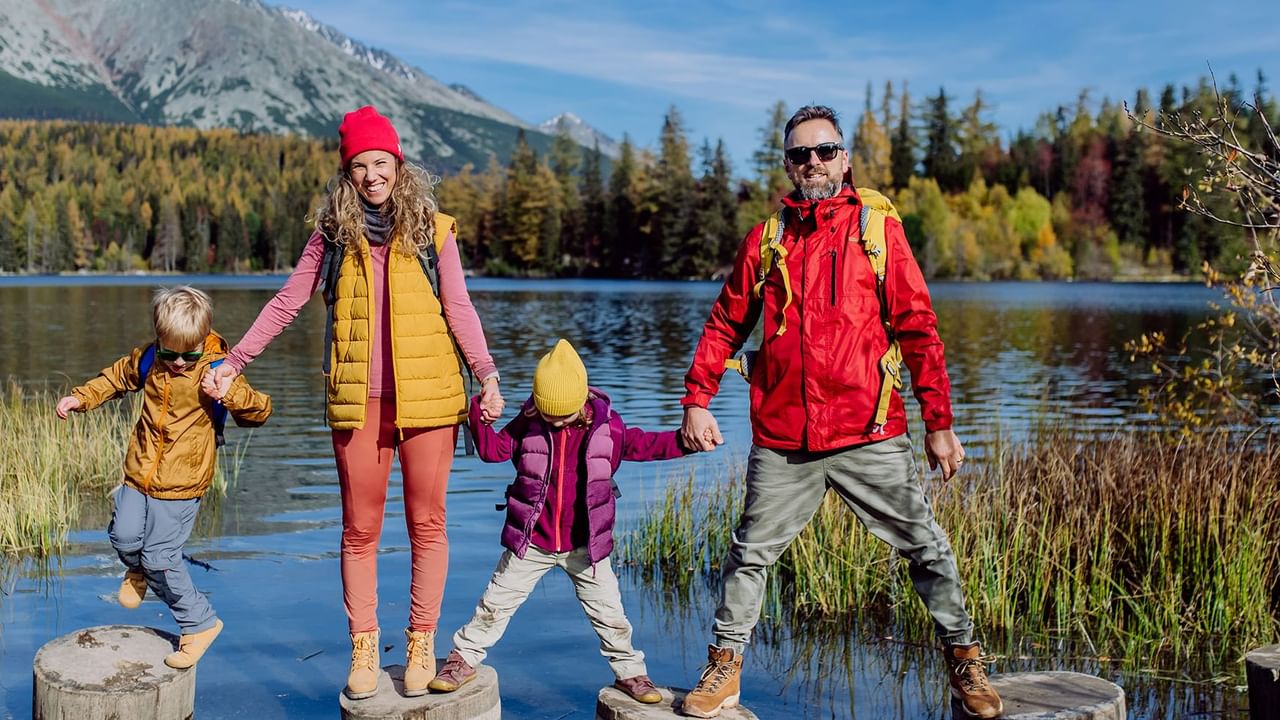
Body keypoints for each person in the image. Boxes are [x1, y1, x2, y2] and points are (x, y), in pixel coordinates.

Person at [676, 105, 1003, 719]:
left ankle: (965, 661)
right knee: (749, 554)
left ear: (845, 159)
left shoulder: (877, 231)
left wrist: (940, 423)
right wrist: (696, 399)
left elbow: (919, 327)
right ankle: (725, 667)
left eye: (825, 151)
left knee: (926, 548)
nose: (813, 163)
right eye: (800, 154)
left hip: (869, 430)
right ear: (787, 164)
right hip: (784, 438)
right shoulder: (767, 238)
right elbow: (725, 323)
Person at [202, 105, 505, 700]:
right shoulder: (331, 238)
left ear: (399, 164)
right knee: (359, 531)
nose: (372, 175)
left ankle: (422, 642)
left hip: (432, 400)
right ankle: (364, 647)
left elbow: (460, 308)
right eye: (360, 165)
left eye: (381, 162)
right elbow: (287, 302)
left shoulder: (433, 232)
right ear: (348, 173)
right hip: (356, 403)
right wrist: (234, 361)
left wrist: (487, 374)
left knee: (429, 526)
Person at [428, 339, 693, 705]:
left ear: (580, 404)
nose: (553, 422)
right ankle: (462, 659)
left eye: (562, 417)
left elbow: (644, 444)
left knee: (610, 613)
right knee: (495, 603)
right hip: (531, 541)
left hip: (587, 545)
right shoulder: (529, 423)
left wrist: (686, 441)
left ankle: (630, 673)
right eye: (546, 414)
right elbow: (493, 452)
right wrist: (479, 413)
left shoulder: (608, 428)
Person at [55, 286, 272, 669]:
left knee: (160, 556)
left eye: (188, 355)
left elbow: (259, 411)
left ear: (202, 342)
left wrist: (228, 393)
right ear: (159, 340)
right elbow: (115, 378)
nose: (177, 364)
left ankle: (200, 623)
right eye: (170, 354)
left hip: (183, 481)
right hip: (139, 472)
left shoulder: (217, 368)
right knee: (123, 538)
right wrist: (81, 398)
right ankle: (136, 570)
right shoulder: (150, 358)